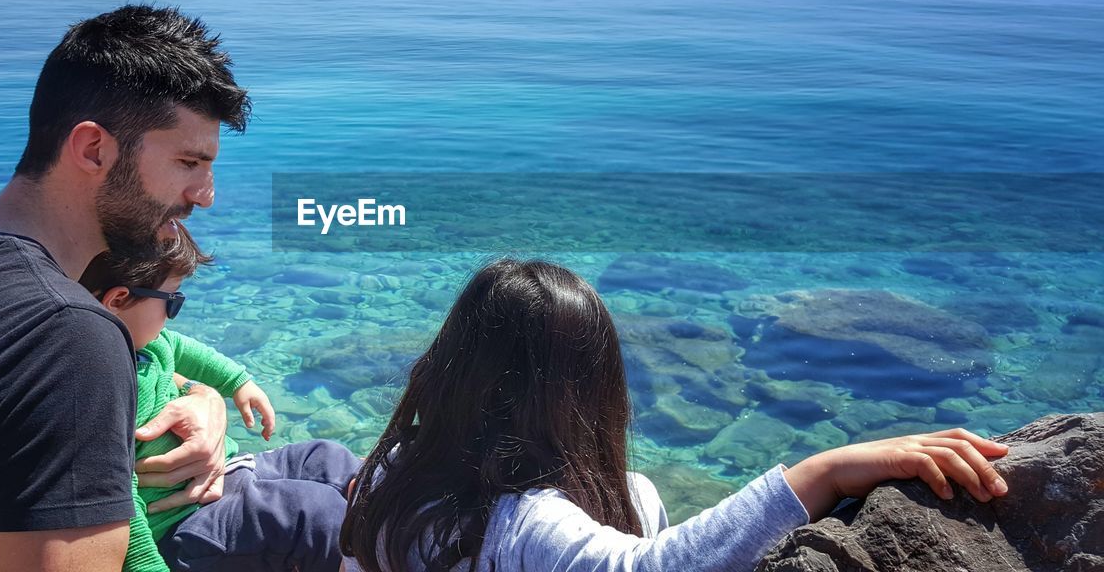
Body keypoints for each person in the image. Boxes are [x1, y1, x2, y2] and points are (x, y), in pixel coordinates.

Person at [0, 4, 252, 571]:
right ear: (93, 149)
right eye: (187, 162)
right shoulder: (66, 336)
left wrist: (204, 398)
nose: (205, 195)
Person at [341, 259, 1010, 572]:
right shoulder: (526, 525)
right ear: (587, 391)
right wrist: (822, 473)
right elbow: (656, 570)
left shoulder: (392, 478)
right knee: (640, 496)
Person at [79, 223, 362, 572]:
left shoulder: (146, 343)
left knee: (325, 458)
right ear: (118, 300)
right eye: (173, 302)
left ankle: (404, 529)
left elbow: (185, 350)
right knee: (315, 514)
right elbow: (121, 503)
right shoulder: (101, 387)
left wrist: (237, 382)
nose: (172, 319)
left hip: (225, 474)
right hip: (181, 528)